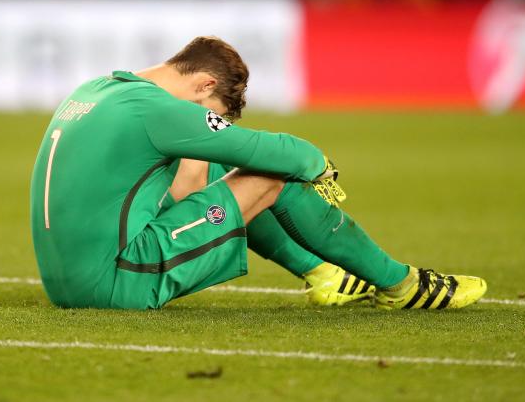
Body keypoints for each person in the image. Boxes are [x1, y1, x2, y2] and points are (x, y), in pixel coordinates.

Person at [30, 36, 487, 310]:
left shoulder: (98, 88)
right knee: (269, 173)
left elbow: (187, 188)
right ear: (205, 85)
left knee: (231, 172)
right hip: (116, 280)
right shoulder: (160, 110)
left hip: (64, 282)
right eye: (217, 114)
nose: (214, 123)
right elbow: (274, 151)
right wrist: (318, 163)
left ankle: (322, 273)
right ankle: (401, 284)